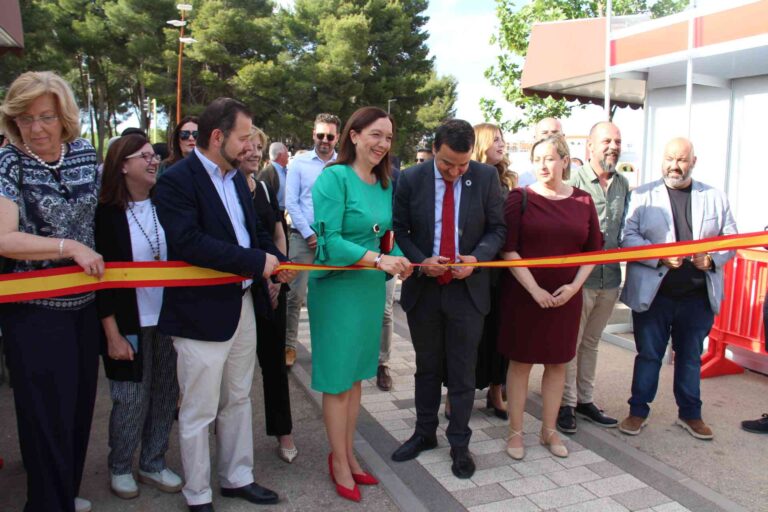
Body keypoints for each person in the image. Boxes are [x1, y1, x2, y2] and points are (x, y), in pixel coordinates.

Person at [154, 97, 295, 512]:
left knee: (238, 397)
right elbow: (189, 243)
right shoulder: (176, 181)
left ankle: (237, 477)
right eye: (243, 137)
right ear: (217, 137)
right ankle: (197, 494)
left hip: (242, 305)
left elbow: (254, 230)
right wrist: (257, 261)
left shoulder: (236, 178)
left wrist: (277, 263)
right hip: (199, 313)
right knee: (198, 409)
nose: (250, 145)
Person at [0, 70, 104, 512]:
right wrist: (69, 247)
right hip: (34, 313)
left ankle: (64, 494)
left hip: (84, 308)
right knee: (45, 422)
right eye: (24, 119)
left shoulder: (84, 153)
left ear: (64, 116)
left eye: (45, 117)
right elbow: (4, 237)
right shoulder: (9, 161)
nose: (36, 128)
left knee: (79, 414)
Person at [391, 119, 506, 479]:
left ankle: (459, 442)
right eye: (447, 164)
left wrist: (477, 259)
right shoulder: (411, 178)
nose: (455, 172)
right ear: (434, 150)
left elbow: (497, 229)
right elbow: (401, 229)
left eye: (462, 164)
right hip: (425, 290)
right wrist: (420, 260)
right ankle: (425, 432)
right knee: (427, 367)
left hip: (467, 292)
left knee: (462, 371)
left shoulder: (486, 178)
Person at [307, 106, 411, 502]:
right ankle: (337, 461)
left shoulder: (384, 183)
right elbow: (329, 242)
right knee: (337, 382)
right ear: (353, 135)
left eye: (388, 137)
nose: (383, 144)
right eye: (375, 135)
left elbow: (384, 238)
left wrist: (402, 259)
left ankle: (348, 455)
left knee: (354, 379)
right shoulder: (333, 178)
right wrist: (379, 260)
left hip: (368, 287)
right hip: (337, 291)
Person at [619, 137, 737, 440]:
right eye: (670, 158)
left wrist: (711, 260)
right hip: (654, 295)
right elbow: (627, 237)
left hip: (697, 296)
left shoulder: (714, 197)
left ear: (693, 162)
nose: (675, 165)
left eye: (682, 159)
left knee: (689, 357)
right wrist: (658, 254)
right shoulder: (642, 195)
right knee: (648, 355)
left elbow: (731, 239)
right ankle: (637, 411)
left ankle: (690, 414)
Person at [497, 134, 602, 461]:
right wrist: (534, 290)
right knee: (521, 362)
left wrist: (574, 288)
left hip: (565, 298)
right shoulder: (520, 198)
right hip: (525, 296)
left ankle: (549, 430)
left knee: (558, 363)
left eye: (550, 158)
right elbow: (508, 249)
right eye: (538, 158)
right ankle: (515, 432)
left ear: (565, 161)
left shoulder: (583, 202)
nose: (543, 165)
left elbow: (594, 252)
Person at [96, 134, 182, 500]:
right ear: (123, 165)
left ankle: (152, 461)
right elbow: (100, 282)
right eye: (144, 156)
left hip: (168, 320)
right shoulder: (105, 215)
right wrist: (112, 334)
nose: (153, 161)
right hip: (127, 323)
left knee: (165, 394)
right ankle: (120, 466)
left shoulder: (168, 204)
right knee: (129, 398)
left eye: (154, 156)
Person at [558, 121, 629, 434]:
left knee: (592, 343)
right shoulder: (572, 180)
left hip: (609, 280)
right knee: (570, 344)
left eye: (617, 140)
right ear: (589, 146)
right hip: (578, 281)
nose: (612, 146)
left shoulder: (623, 185)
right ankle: (565, 403)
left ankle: (585, 400)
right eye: (606, 141)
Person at [240, 127, 298, 463]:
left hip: (271, 288)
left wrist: (277, 276)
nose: (253, 151)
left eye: (258, 146)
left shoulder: (263, 187)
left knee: (274, 366)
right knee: (236, 374)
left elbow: (277, 232)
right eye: (247, 145)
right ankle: (231, 438)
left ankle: (283, 431)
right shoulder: (225, 189)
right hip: (239, 289)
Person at [284, 113, 341, 367]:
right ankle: (289, 345)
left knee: (329, 296)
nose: (325, 140)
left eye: (330, 136)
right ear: (313, 134)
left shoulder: (345, 164)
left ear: (337, 137)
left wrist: (329, 238)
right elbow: (291, 202)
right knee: (295, 296)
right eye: (320, 135)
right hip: (302, 239)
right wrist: (309, 234)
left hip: (334, 242)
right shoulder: (299, 164)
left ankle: (326, 346)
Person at [468, 122, 516, 419]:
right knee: (469, 334)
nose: (502, 144)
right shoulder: (465, 176)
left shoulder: (509, 181)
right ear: (481, 143)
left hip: (503, 270)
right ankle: (458, 392)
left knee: (500, 332)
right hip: (473, 266)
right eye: (496, 139)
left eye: (503, 139)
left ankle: (496, 391)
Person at [518, 117, 563, 187]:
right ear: (535, 138)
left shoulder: (576, 174)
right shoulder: (519, 173)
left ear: (563, 137)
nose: (550, 136)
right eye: (544, 133)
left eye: (555, 132)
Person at [257, 142, 289, 213]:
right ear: (280, 155)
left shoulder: (285, 170)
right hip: (273, 213)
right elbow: (261, 197)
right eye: (286, 153)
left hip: (282, 212)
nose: (288, 156)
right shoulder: (266, 172)